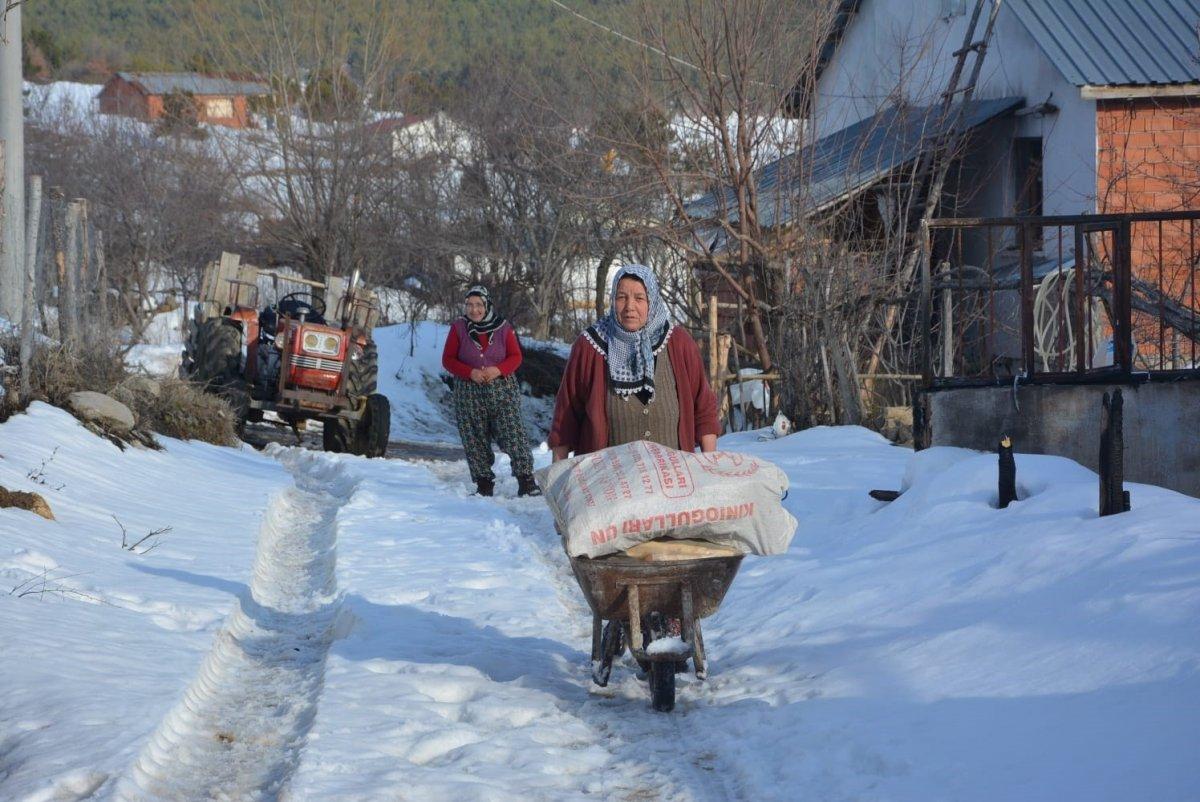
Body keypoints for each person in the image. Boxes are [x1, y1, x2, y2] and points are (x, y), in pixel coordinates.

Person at [550, 264, 719, 462]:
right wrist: (558, 475)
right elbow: (566, 418)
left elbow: (704, 409)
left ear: (652, 301)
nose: (630, 306)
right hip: (609, 482)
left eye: (639, 298)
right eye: (621, 297)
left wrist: (710, 465)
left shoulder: (678, 343)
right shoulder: (590, 346)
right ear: (613, 300)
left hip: (673, 482)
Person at [442, 286, 540, 497]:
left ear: (487, 305)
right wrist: (470, 372)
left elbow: (516, 357)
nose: (474, 310)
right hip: (468, 391)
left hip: (502, 389)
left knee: (512, 430)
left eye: (478, 305)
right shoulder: (458, 328)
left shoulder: (503, 328)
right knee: (473, 436)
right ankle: (484, 484)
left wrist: (498, 369)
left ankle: (526, 481)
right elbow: (448, 359)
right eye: (469, 305)